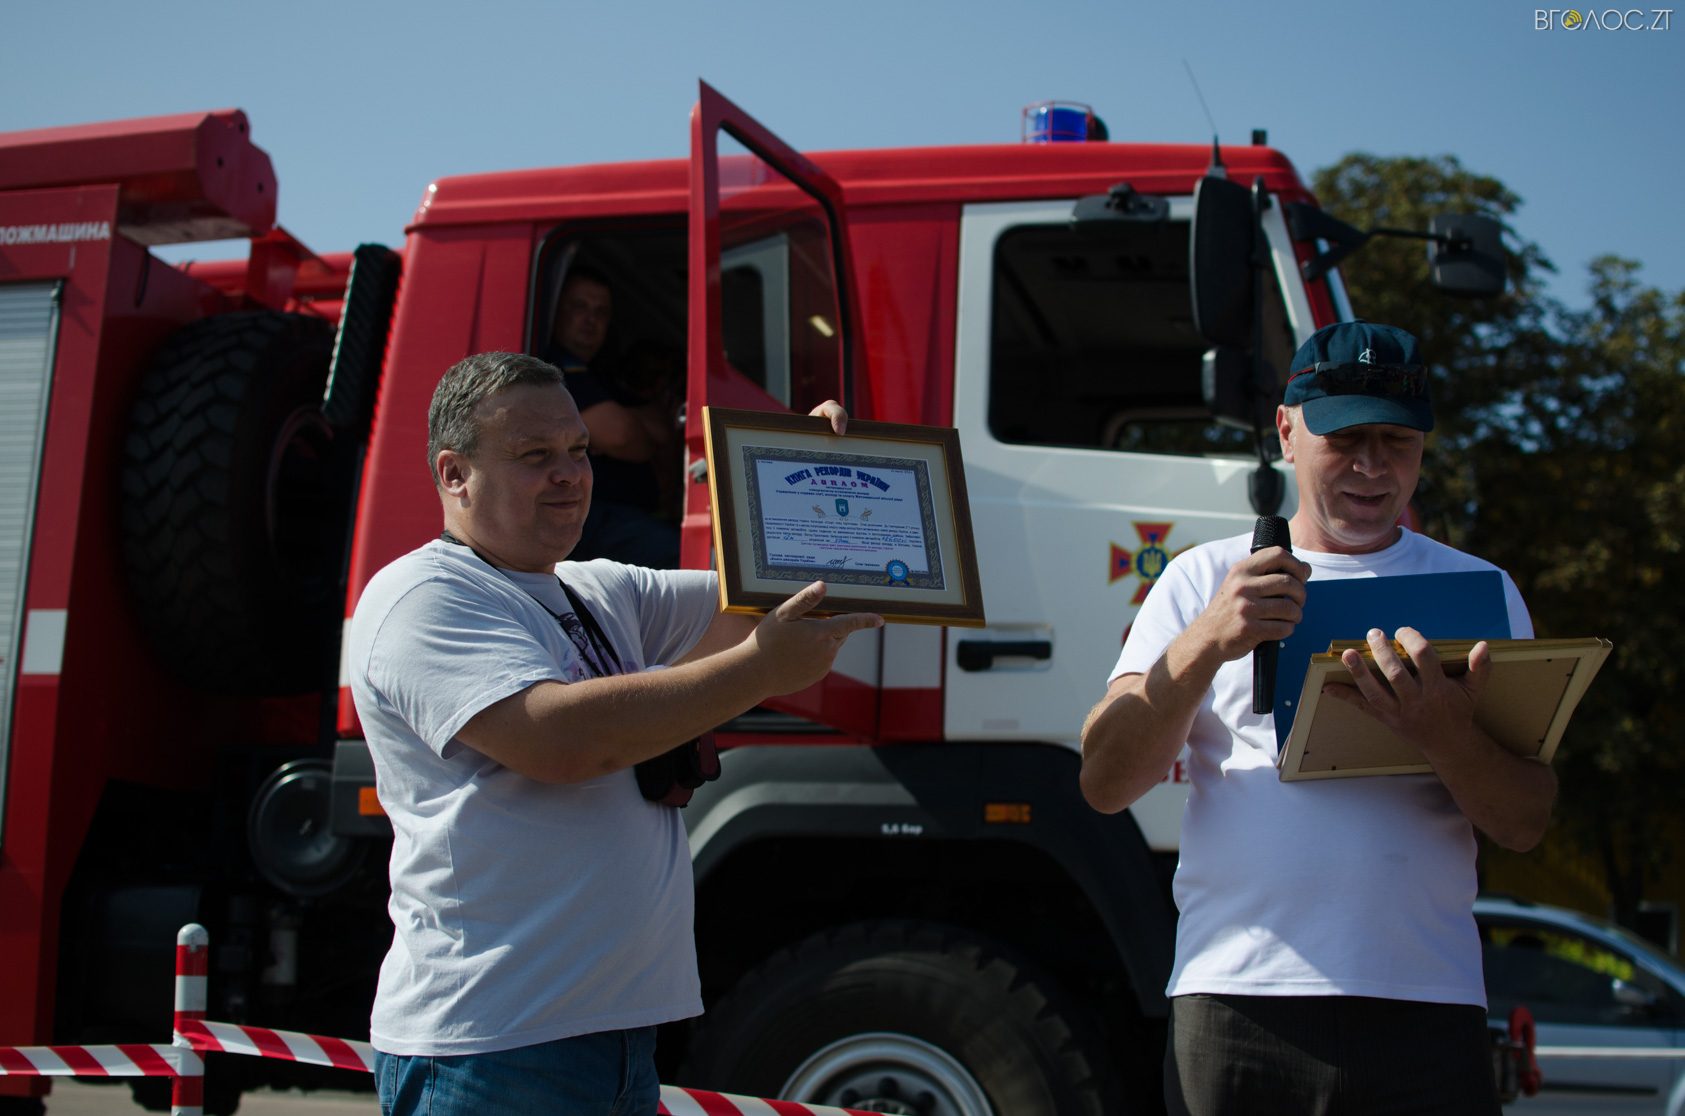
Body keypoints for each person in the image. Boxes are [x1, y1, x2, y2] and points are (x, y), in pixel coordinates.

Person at [346, 351, 881, 1116]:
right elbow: (561, 742)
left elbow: (781, 597)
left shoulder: (597, 588)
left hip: (611, 1041)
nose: (569, 475)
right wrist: (759, 670)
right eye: (536, 455)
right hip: (493, 1048)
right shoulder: (421, 595)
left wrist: (805, 474)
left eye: (578, 451)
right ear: (454, 474)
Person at [1078, 320, 1557, 1116]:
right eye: (1344, 438)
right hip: (1236, 997)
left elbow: (1523, 821)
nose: (1372, 466)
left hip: (1425, 1005)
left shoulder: (1481, 592)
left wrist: (1443, 735)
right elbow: (1104, 780)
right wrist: (1206, 641)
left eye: (1396, 441)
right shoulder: (1201, 580)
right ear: (1286, 431)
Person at [545, 265, 682, 567]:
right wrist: (637, 430)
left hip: (624, 517)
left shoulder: (601, 374)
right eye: (579, 307)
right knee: (683, 558)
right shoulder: (553, 369)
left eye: (601, 312)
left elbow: (660, 427)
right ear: (556, 311)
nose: (590, 319)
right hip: (591, 516)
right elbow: (622, 436)